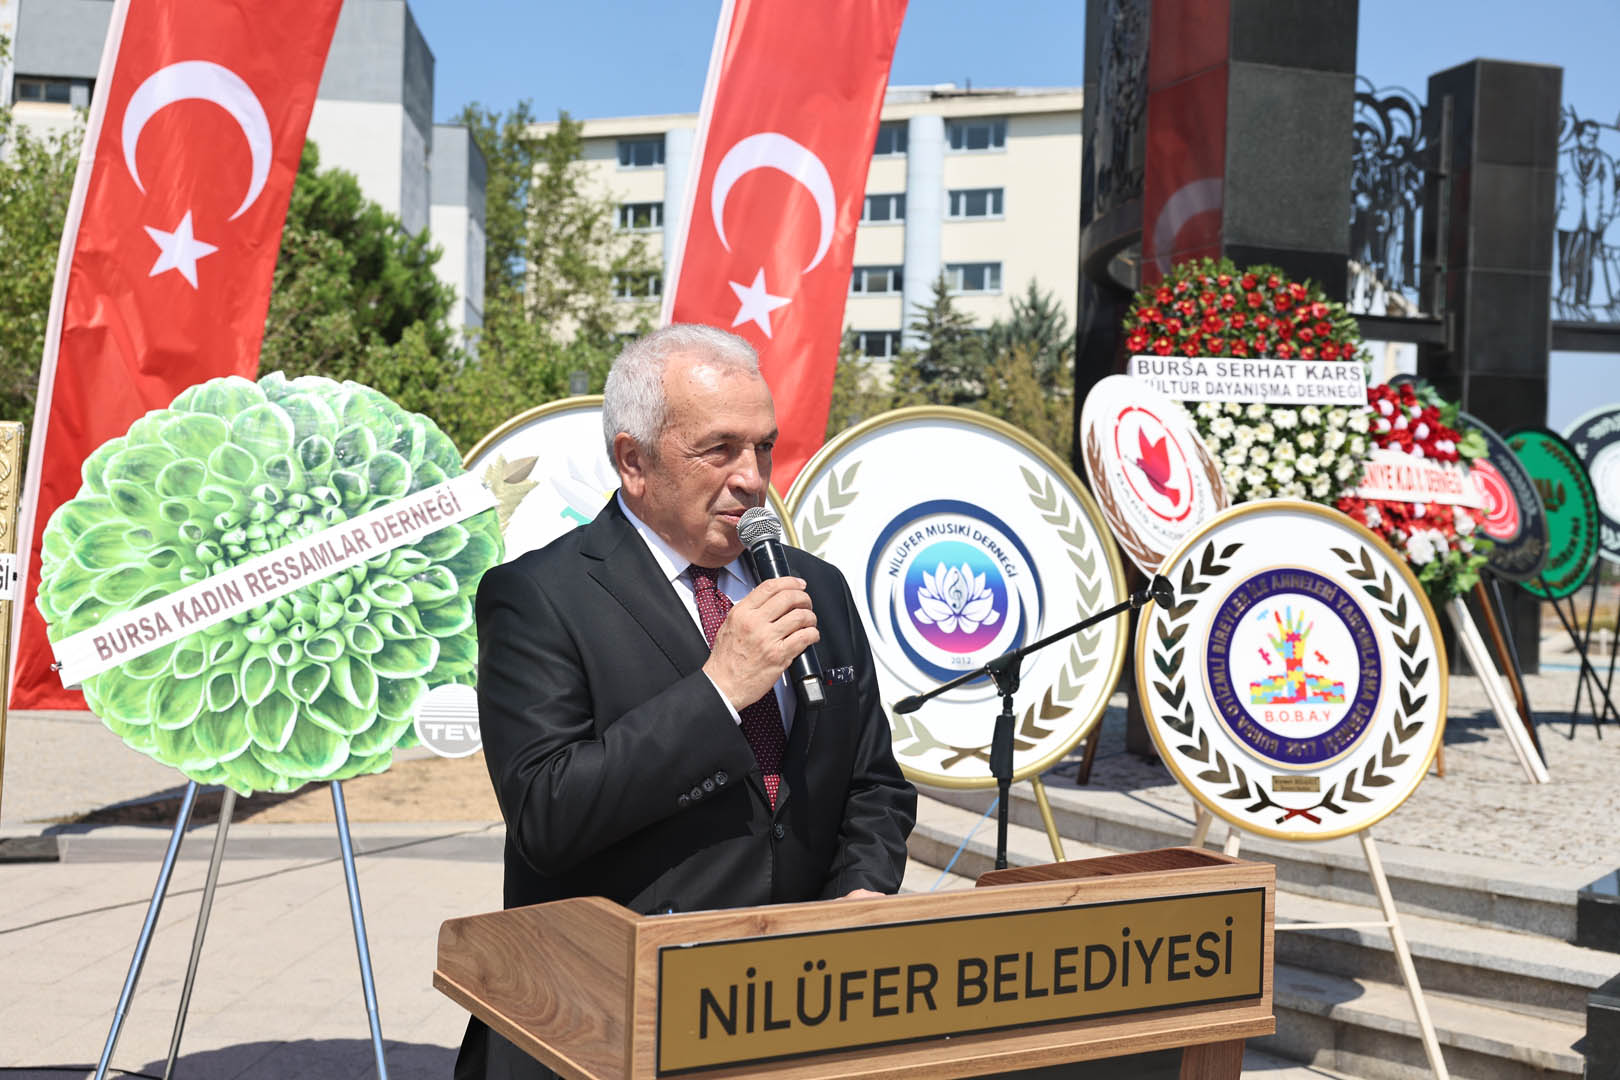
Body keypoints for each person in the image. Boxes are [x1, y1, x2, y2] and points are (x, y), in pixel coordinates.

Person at [455, 324, 917, 1080]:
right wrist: (719, 690)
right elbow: (547, 814)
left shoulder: (814, 588)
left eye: (763, 447)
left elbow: (872, 783)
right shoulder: (538, 596)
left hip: (793, 1014)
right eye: (720, 449)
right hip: (606, 1018)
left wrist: (859, 895)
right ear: (633, 461)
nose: (752, 478)